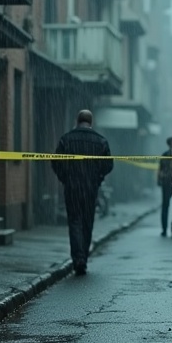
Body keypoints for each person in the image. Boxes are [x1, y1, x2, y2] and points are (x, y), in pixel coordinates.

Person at [53, 109, 113, 275]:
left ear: (77, 121)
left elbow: (56, 162)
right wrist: (97, 178)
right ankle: (83, 258)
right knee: (87, 223)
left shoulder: (66, 139)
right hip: (91, 189)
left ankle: (77, 257)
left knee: (74, 222)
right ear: (91, 122)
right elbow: (108, 165)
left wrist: (65, 177)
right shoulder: (100, 141)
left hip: (72, 187)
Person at [158, 136, 172, 237]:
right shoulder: (165, 155)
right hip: (168, 183)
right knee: (166, 206)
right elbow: (160, 170)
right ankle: (165, 228)